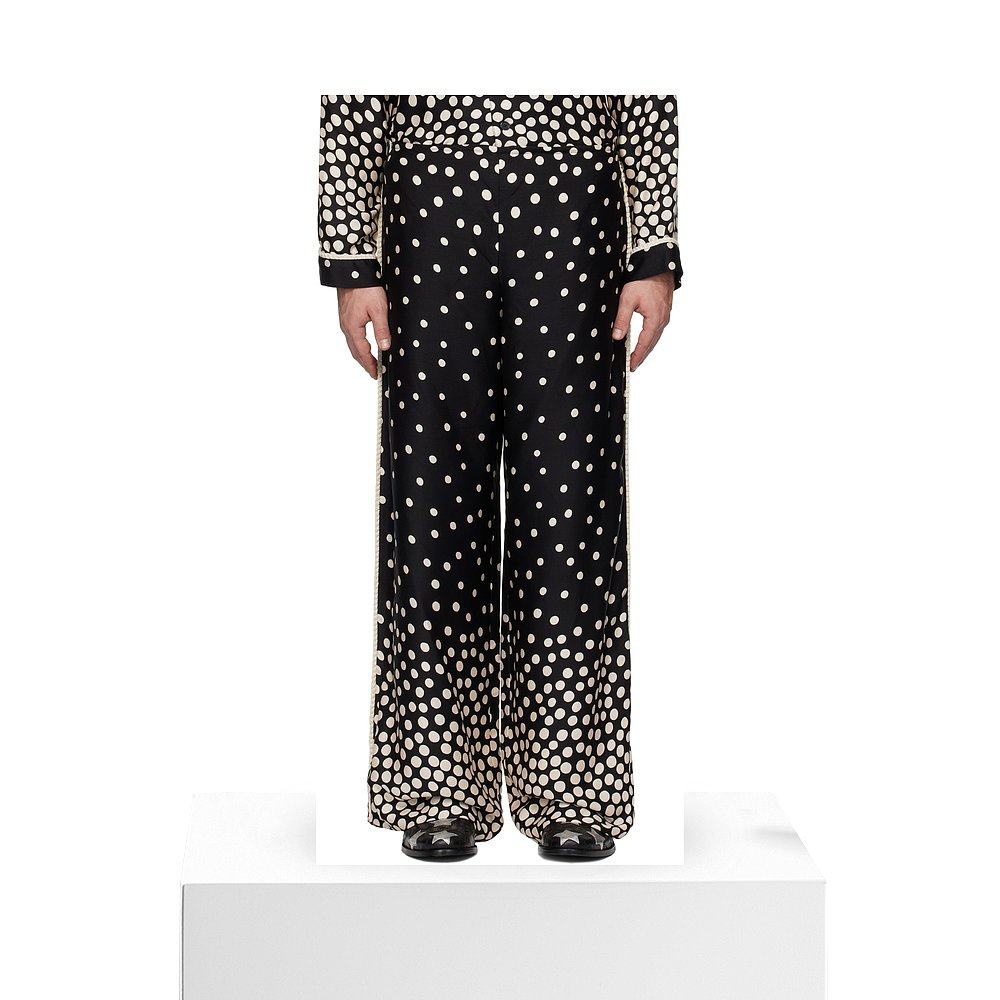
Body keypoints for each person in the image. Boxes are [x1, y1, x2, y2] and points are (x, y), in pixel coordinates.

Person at [318, 96, 681, 861]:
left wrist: (653, 250)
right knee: (433, 503)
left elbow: (651, 92)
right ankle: (440, 785)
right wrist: (352, 259)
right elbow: (349, 93)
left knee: (571, 505)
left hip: (574, 199)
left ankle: (570, 786)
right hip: (429, 205)